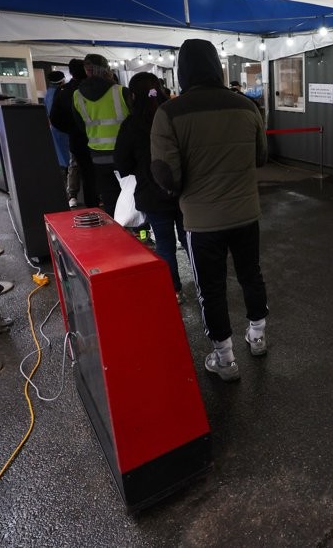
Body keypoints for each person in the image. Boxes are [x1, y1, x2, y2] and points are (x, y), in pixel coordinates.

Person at [151, 38, 269, 382]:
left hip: (201, 222)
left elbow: (166, 175)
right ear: (216, 67)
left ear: (182, 70)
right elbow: (260, 158)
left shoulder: (169, 113)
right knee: (252, 275)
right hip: (246, 213)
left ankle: (225, 359)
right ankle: (258, 337)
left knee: (211, 289)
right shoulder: (247, 107)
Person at [115, 72, 188, 303]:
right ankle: (204, 283)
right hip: (182, 189)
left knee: (165, 243)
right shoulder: (174, 116)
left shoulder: (131, 124)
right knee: (190, 240)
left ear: (133, 95)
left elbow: (122, 164)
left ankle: (174, 290)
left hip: (152, 193)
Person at [71, 54, 128, 215]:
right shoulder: (121, 91)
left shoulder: (77, 95)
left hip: (97, 154)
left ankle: (116, 231)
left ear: (87, 71)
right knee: (130, 193)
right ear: (107, 69)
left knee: (109, 196)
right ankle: (138, 231)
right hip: (124, 153)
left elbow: (80, 125)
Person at [51, 59, 96, 208]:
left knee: (78, 169)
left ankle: (86, 203)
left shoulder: (63, 91)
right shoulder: (95, 87)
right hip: (99, 138)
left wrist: (71, 129)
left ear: (70, 73)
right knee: (98, 174)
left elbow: (55, 118)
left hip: (77, 139)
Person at [43, 70, 79, 206]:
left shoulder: (49, 93)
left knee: (67, 161)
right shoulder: (61, 93)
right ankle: (72, 194)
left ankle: (71, 194)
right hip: (65, 131)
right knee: (71, 162)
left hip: (56, 130)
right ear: (62, 80)